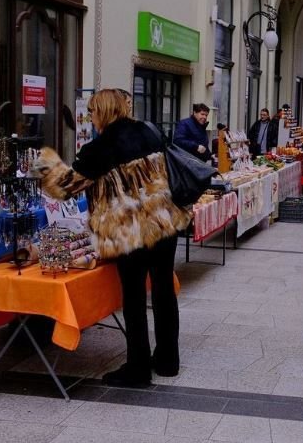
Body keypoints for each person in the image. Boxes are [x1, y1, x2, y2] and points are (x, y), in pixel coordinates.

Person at [35, 88, 190, 388]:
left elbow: (65, 187)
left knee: (133, 298)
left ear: (103, 112)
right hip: (165, 221)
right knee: (162, 291)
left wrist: (43, 162)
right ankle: (168, 360)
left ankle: (138, 369)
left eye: (93, 112)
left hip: (131, 231)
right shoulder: (150, 129)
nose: (90, 118)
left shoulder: (101, 147)